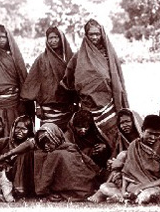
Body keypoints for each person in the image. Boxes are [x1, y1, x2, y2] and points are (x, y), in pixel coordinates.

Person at [61, 19, 129, 147]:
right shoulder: (79, 56)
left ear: (102, 35)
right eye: (91, 34)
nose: (94, 37)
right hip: (87, 105)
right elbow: (68, 78)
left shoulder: (108, 55)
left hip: (107, 106)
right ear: (86, 35)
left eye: (97, 34)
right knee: (90, 139)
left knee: (111, 138)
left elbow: (116, 78)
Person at [0, 123, 100, 202]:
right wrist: (4, 156)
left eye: (48, 141)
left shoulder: (61, 152)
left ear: (55, 137)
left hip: (80, 189)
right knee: (28, 156)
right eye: (43, 142)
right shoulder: (62, 148)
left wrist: (44, 192)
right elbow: (29, 144)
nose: (46, 146)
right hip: (84, 187)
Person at [89, 115, 160, 204]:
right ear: (142, 130)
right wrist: (123, 191)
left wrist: (143, 187)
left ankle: (124, 199)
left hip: (152, 186)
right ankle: (124, 197)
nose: (153, 137)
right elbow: (126, 174)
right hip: (132, 186)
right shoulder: (134, 145)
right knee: (104, 187)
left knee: (146, 195)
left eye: (157, 135)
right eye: (150, 133)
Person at [21, 26, 77, 133]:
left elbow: (75, 81)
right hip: (47, 107)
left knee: (67, 134)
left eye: (56, 37)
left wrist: (74, 101)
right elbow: (35, 83)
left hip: (66, 106)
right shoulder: (41, 59)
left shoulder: (70, 58)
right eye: (50, 38)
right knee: (48, 134)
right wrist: (38, 106)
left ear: (61, 39)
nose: (53, 41)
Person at [0, 115, 35, 201]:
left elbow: (27, 145)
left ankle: (20, 192)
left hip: (23, 176)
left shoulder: (33, 142)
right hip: (6, 173)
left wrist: (2, 157)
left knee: (23, 156)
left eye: (24, 129)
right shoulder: (7, 141)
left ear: (29, 131)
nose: (19, 131)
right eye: (17, 128)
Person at [65, 109, 112, 174]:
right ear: (74, 126)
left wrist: (104, 146)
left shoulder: (93, 132)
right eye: (79, 127)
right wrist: (89, 151)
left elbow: (110, 147)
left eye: (86, 127)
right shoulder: (68, 137)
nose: (83, 130)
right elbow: (71, 158)